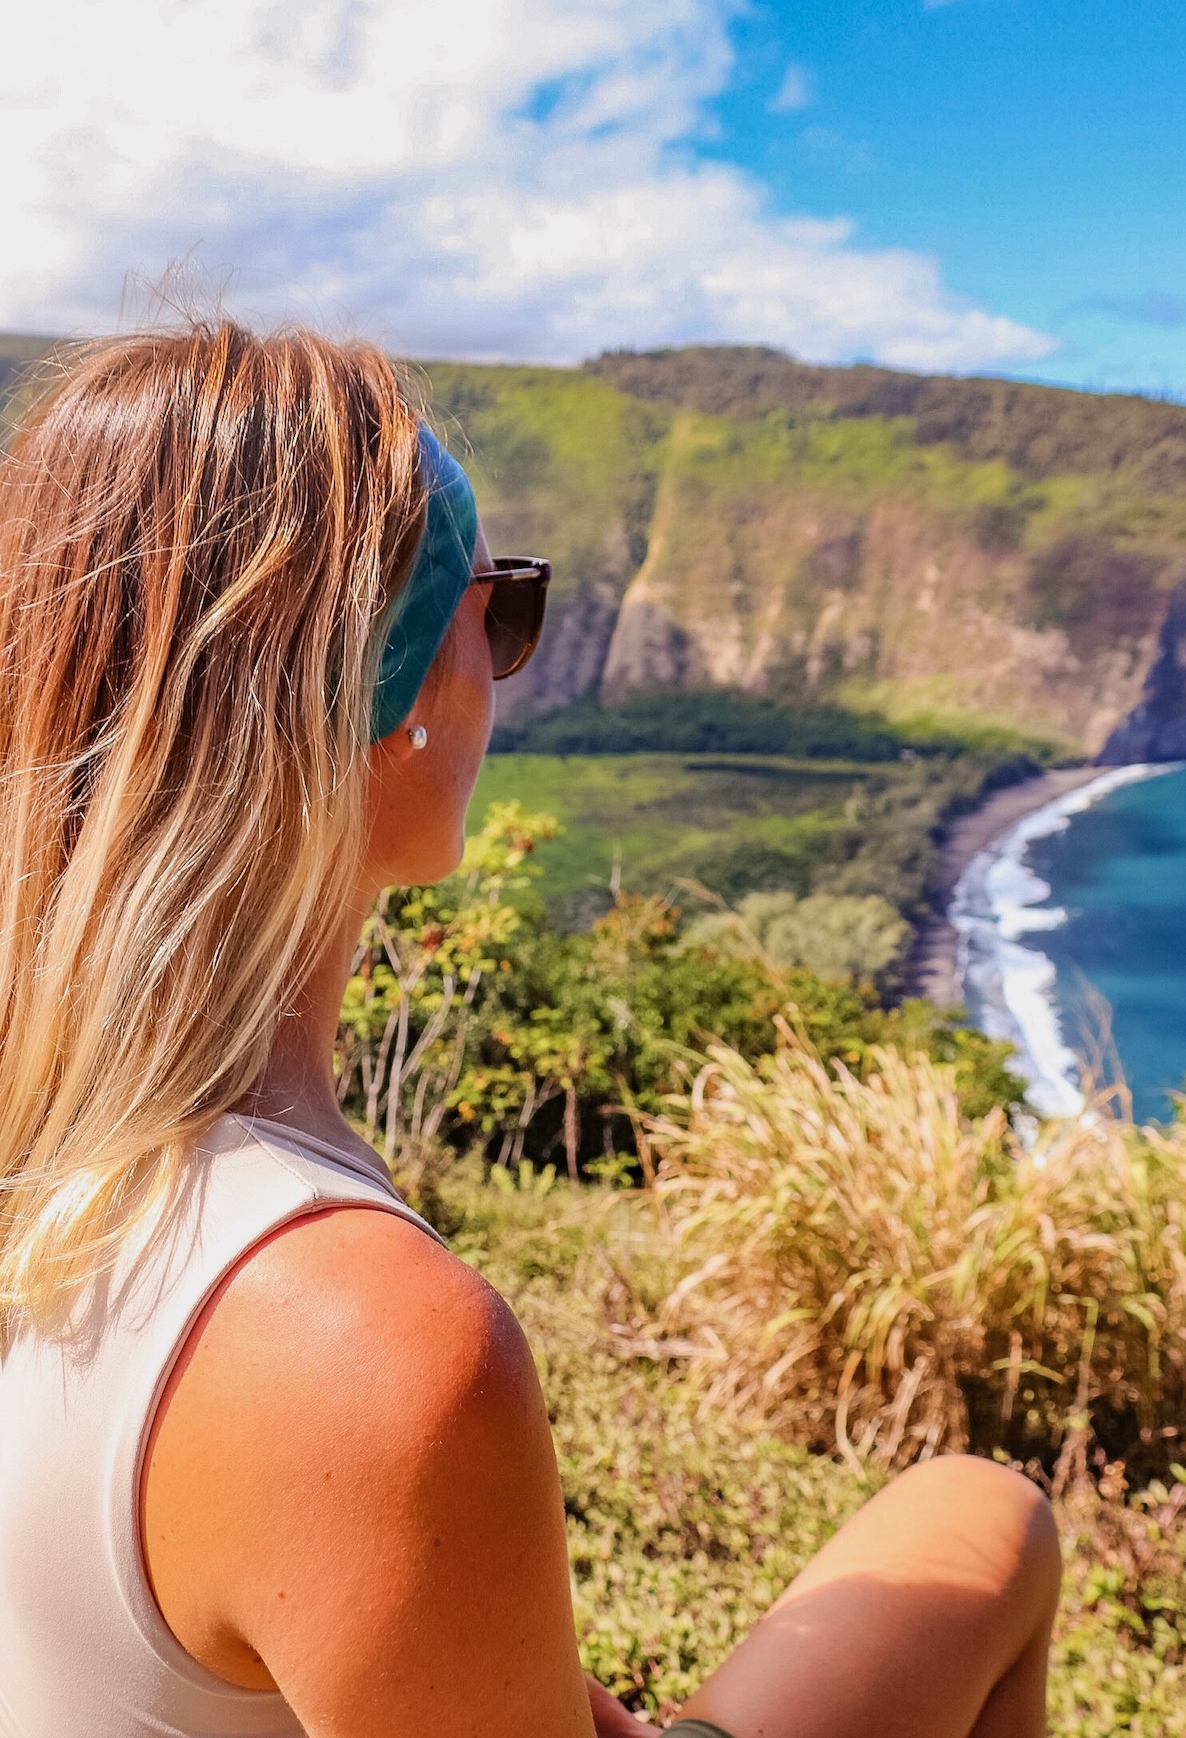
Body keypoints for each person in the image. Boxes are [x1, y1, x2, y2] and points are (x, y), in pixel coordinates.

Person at [0, 322, 1060, 1738]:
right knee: (992, 1520)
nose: (501, 664)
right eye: (497, 615)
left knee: (973, 1515)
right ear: (390, 707)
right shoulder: (367, 1345)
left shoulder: (61, 1163)